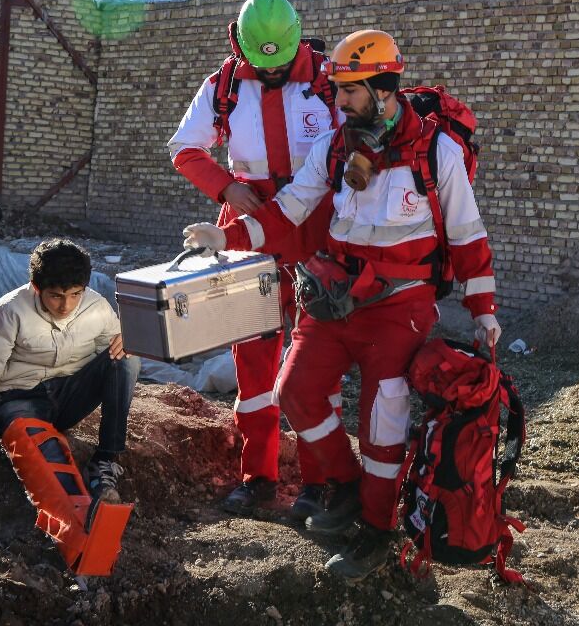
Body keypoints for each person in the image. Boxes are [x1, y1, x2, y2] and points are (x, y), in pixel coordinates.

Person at [183, 29, 502, 579]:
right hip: (333, 301)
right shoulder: (335, 147)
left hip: (401, 308)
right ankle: (350, 489)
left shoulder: (436, 151)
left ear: (383, 89)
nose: (339, 100)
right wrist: (228, 237)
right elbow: (290, 211)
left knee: (383, 420)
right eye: (337, 89)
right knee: (297, 392)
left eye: (349, 91)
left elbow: (469, 235)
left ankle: (376, 532)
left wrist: (484, 311)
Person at [168, 0, 343, 519]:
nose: (271, 75)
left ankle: (319, 482)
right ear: (240, 44)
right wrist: (225, 189)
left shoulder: (330, 82)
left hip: (315, 224)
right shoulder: (223, 84)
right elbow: (185, 147)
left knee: (317, 359)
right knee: (254, 360)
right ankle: (258, 476)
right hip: (244, 223)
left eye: (280, 65)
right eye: (261, 66)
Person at [0, 238, 139, 506]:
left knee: (126, 359)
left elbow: (112, 361)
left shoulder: (97, 307)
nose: (66, 306)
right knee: (49, 467)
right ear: (36, 288)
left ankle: (105, 461)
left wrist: (129, 339)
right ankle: (76, 513)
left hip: (68, 398)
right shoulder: (9, 312)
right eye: (56, 295)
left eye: (75, 294)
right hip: (18, 401)